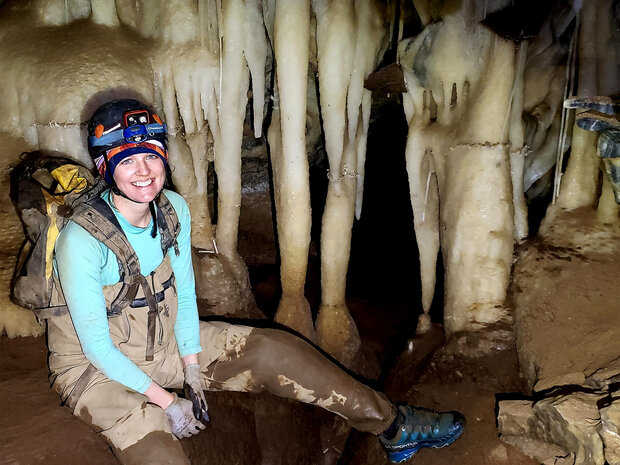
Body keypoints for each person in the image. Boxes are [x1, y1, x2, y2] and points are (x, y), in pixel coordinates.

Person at [47, 99, 465, 465]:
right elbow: (97, 348)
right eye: (127, 160)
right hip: (94, 370)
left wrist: (192, 369)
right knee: (155, 440)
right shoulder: (81, 241)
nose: (144, 171)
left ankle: (393, 426)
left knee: (273, 350)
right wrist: (169, 401)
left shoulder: (171, 208)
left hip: (161, 346)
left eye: (152, 156)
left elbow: (185, 295)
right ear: (106, 166)